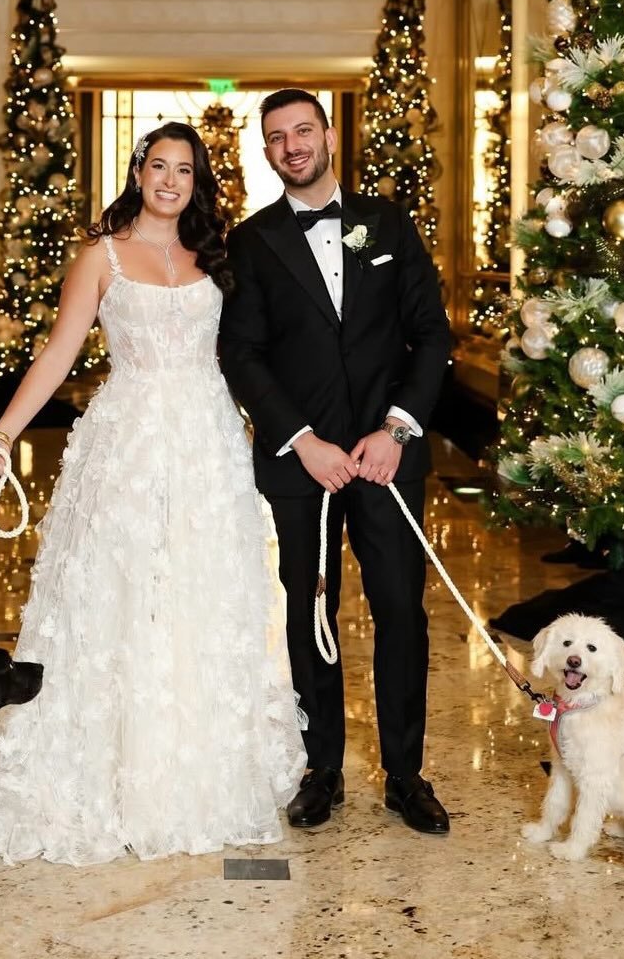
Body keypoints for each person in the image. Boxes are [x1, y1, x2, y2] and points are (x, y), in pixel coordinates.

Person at [0, 122, 304, 866]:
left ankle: (191, 778)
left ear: (197, 183)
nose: (169, 181)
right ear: (137, 170)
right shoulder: (101, 254)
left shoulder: (217, 258)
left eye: (183, 171)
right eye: (158, 166)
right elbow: (59, 352)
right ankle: (103, 778)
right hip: (125, 443)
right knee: (115, 597)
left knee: (197, 597)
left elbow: (251, 353)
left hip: (208, 447)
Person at [218, 89, 452, 835]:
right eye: (277, 137)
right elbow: (241, 352)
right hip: (303, 466)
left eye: (303, 130)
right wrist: (302, 440)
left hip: (386, 458)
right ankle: (320, 768)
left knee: (399, 612)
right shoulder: (251, 243)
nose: (292, 145)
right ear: (267, 151)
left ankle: (405, 774)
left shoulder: (388, 223)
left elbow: (431, 336)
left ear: (326, 135)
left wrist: (396, 431)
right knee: (309, 610)